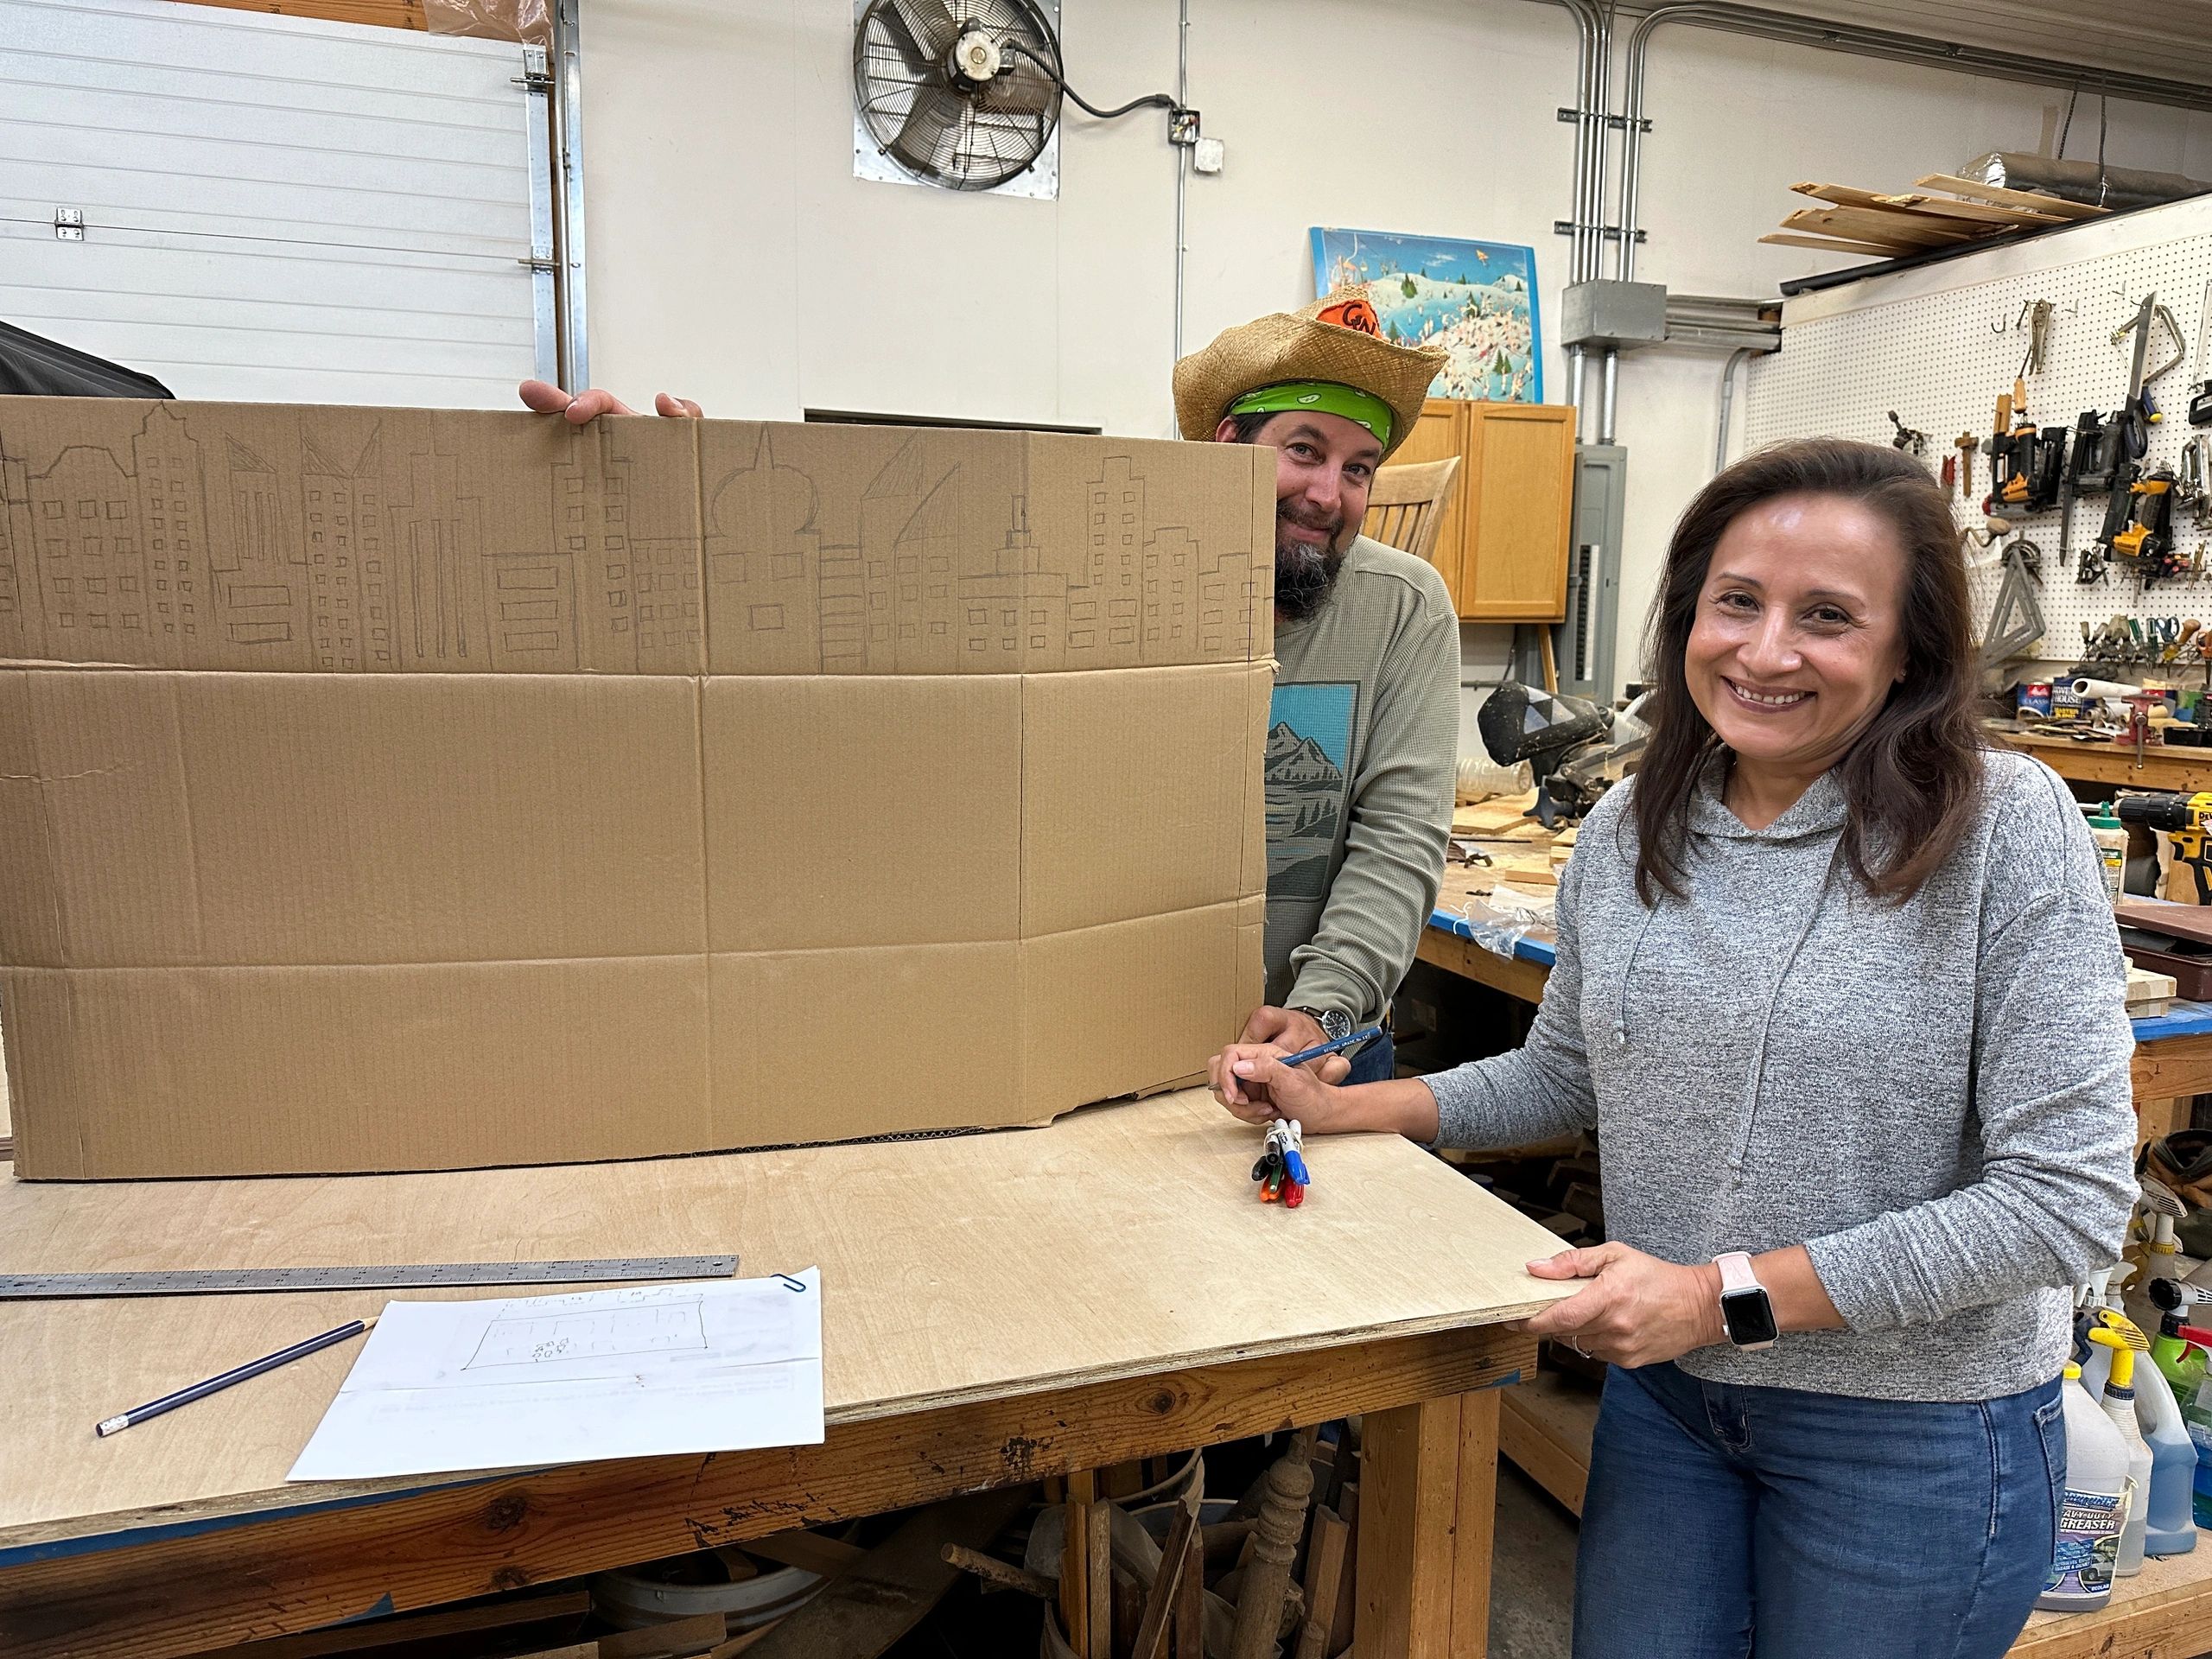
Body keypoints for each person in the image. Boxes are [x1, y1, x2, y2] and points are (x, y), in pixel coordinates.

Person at [1210, 437, 2139, 1657]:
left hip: (1908, 1435)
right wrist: (1339, 1108)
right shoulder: (1631, 827)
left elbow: (2065, 1204)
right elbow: (1563, 1074)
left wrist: (1713, 1298)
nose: (1765, 651)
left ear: (1909, 649)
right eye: (1736, 602)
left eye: (1826, 617)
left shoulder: (2002, 828)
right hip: (1674, 1411)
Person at [1172, 296, 1461, 1084]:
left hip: (1327, 1047)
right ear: (1230, 446)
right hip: (1134, 1036)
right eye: (1304, 450)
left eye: (1358, 468)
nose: (1330, 494)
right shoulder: (1134, 595)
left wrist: (1321, 1014)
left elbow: (1400, 837)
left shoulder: (1404, 608)